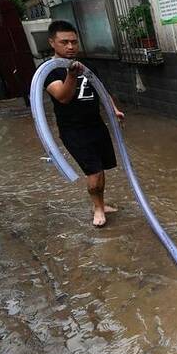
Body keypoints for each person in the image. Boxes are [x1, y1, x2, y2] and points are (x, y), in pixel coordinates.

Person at [44, 20, 125, 227]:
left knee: (102, 169)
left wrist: (113, 109)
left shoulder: (88, 66)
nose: (70, 47)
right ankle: (97, 208)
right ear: (52, 42)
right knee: (94, 172)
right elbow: (63, 97)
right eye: (64, 42)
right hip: (74, 131)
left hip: (96, 126)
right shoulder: (49, 71)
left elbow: (101, 90)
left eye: (74, 42)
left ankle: (101, 203)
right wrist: (71, 75)